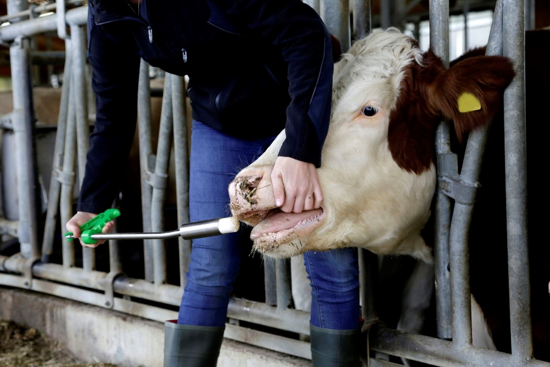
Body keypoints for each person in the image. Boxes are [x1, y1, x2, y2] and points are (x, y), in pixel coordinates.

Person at [65, 1, 361, 366]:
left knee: (331, 263)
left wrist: (300, 149)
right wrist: (92, 201)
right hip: (220, 124)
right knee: (210, 266)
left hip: (294, 113)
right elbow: (114, 112)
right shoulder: (107, 14)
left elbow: (305, 33)